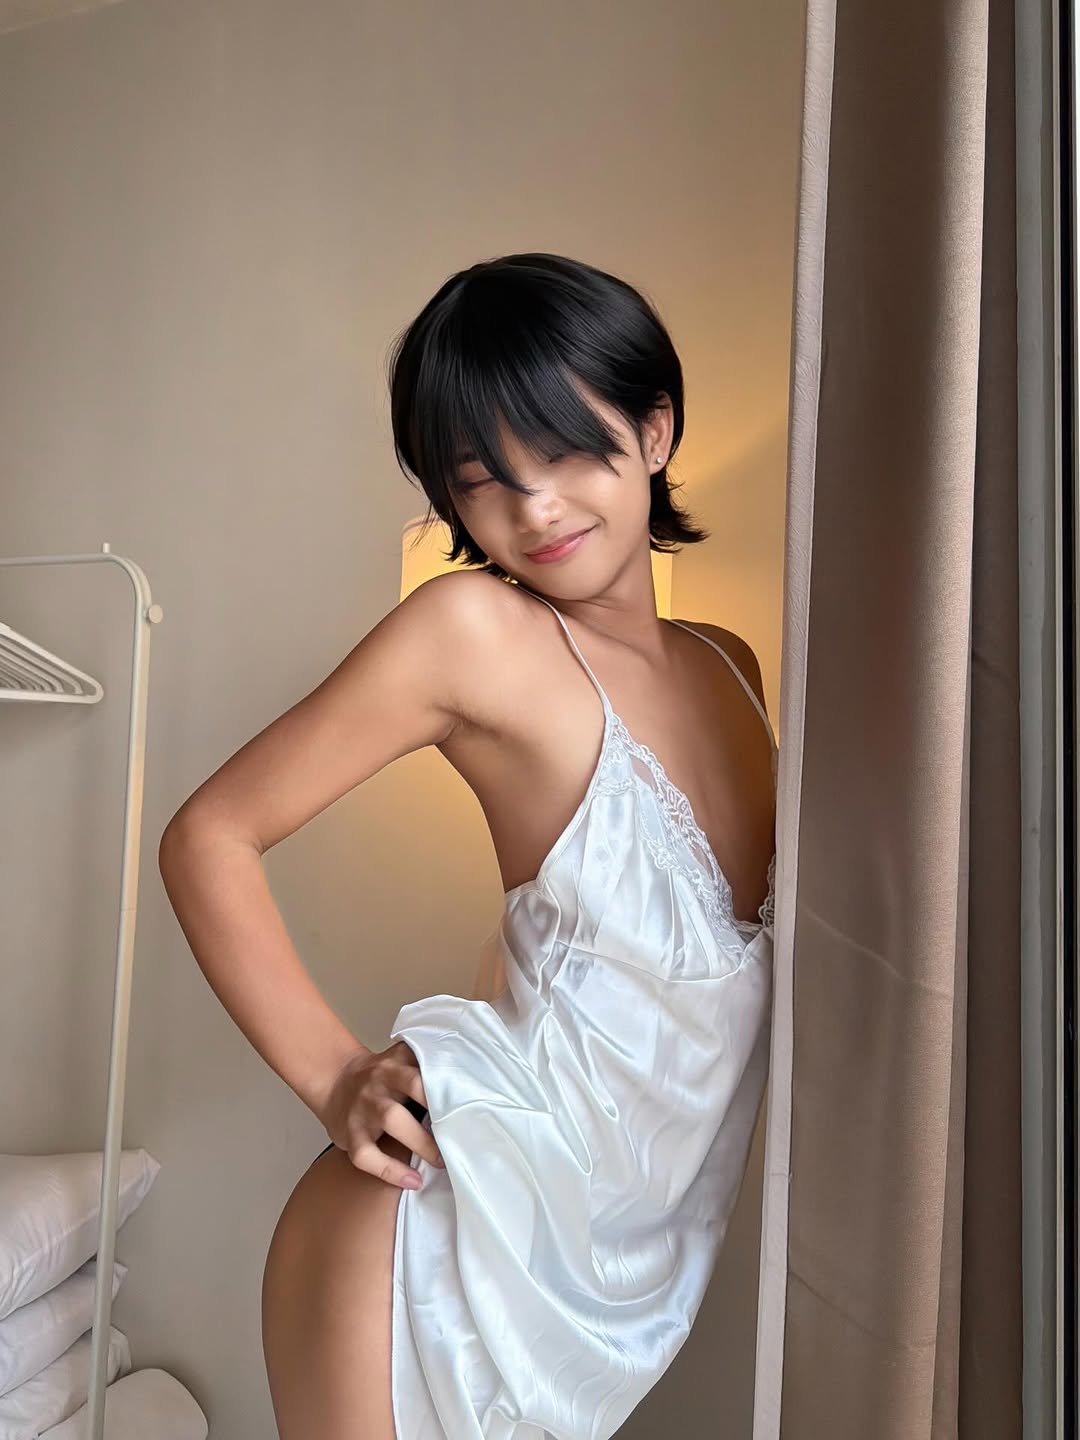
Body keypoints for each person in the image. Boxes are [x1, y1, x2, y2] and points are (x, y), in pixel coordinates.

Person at [158, 252, 778, 1440]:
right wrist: (333, 1076)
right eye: (484, 481)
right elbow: (209, 835)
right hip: (428, 1238)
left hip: (609, 1291)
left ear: (653, 430)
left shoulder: (733, 669)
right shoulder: (472, 632)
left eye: (566, 452)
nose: (535, 509)